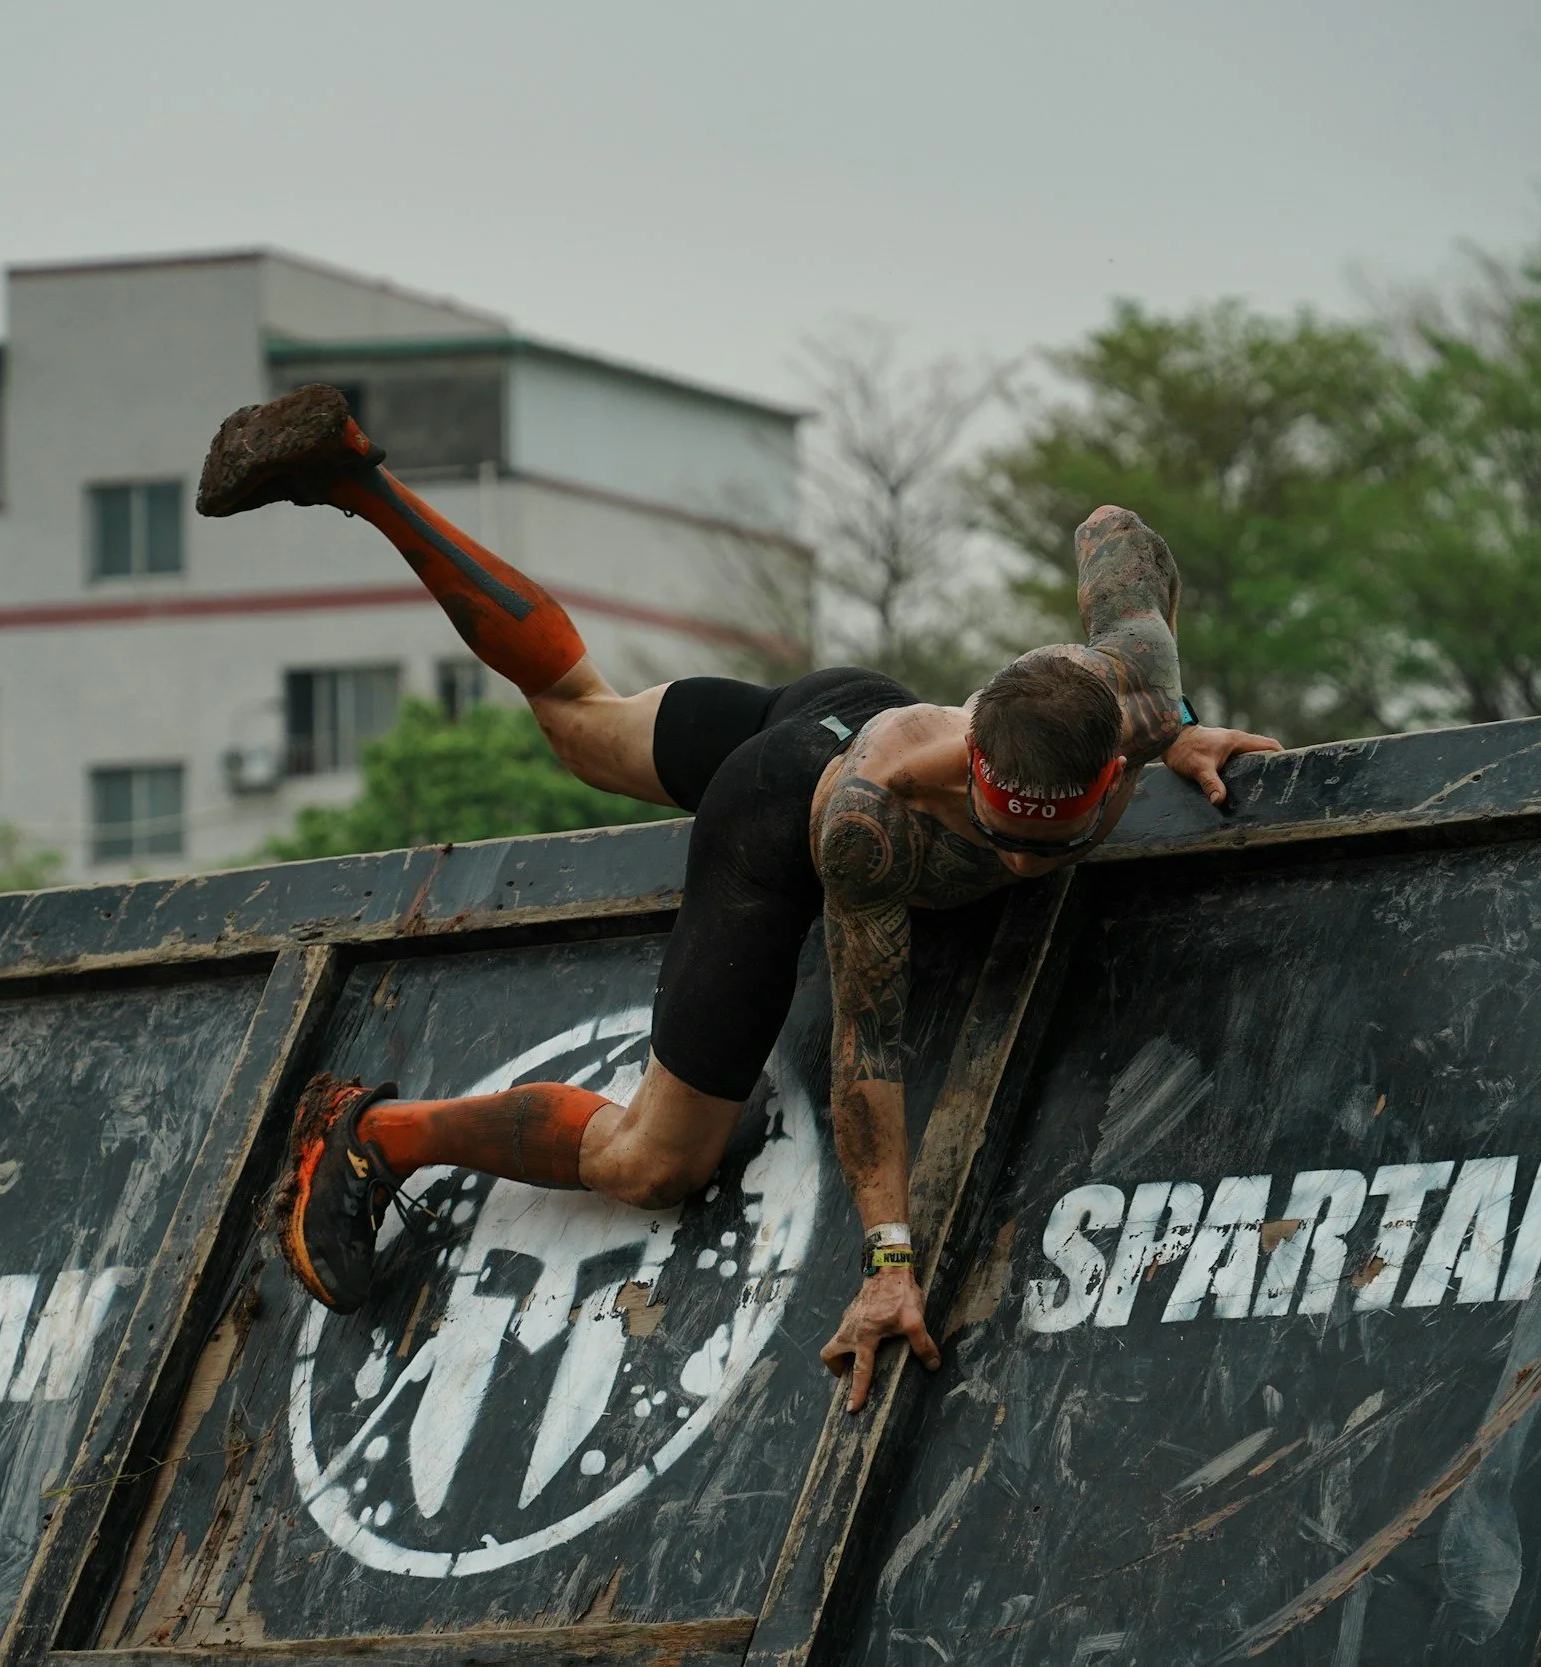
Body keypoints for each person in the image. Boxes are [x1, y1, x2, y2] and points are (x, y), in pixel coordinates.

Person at [195, 384, 1281, 1412]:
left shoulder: (1132, 683)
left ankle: (351, 474)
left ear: (1109, 765)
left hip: (844, 703)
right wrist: (890, 1260)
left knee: (582, 718)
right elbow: (868, 1049)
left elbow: (1110, 526)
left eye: (1049, 843)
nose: (1018, 866)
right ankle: (378, 1131)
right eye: (996, 836)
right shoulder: (871, 824)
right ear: (972, 769)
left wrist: (1183, 727)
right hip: (777, 808)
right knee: (655, 1161)